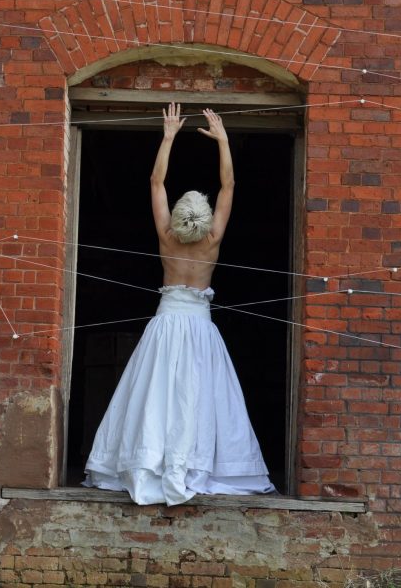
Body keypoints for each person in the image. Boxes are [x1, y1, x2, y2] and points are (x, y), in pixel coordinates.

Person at [83, 103, 275, 506]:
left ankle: (150, 465)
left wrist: (168, 135)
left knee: (156, 397)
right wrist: (223, 140)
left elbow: (156, 181)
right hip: (200, 328)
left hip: (166, 324)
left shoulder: (167, 237)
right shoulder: (213, 239)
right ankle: (192, 466)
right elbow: (228, 186)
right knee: (198, 399)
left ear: (176, 217)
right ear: (204, 219)